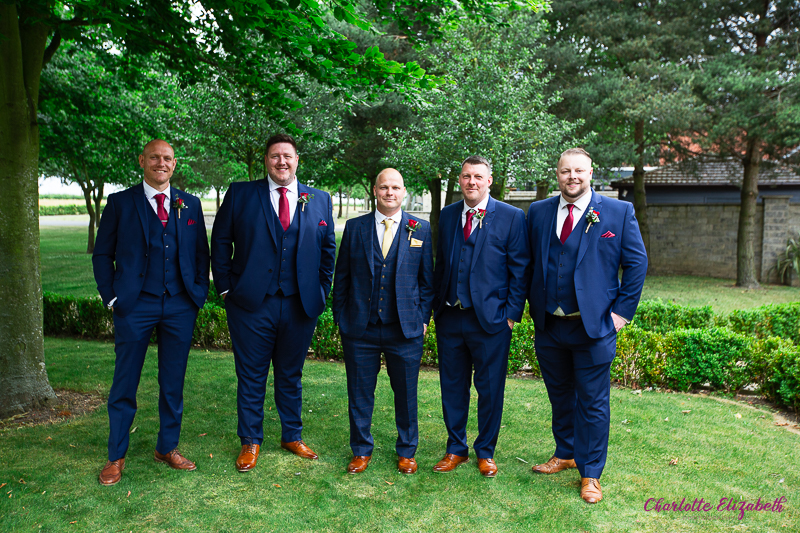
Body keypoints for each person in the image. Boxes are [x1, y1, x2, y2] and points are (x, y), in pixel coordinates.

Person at [526, 148, 647, 503]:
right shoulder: (539, 211)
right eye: (565, 171)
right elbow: (529, 262)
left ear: (591, 172)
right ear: (558, 174)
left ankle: (591, 473)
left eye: (579, 171)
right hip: (550, 325)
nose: (572, 177)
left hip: (594, 327)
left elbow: (637, 264)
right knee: (559, 395)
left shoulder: (618, 212)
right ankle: (565, 453)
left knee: (593, 402)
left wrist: (621, 314)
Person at [210, 134, 336, 472]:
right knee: (251, 375)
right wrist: (225, 289)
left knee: (291, 374)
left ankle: (291, 434)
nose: (282, 161)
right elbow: (220, 242)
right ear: (266, 160)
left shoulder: (320, 199)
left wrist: (321, 291)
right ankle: (250, 441)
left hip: (300, 305)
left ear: (298, 160)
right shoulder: (240, 194)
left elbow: (328, 251)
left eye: (288, 156)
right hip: (251, 304)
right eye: (275, 156)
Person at [93, 139, 210, 485]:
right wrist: (111, 298)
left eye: (168, 159)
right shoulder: (119, 203)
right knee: (124, 382)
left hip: (179, 305)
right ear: (142, 160)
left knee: (172, 382)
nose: (161, 163)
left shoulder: (189, 204)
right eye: (155, 157)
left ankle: (167, 447)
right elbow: (102, 255)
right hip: (134, 305)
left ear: (175, 165)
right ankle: (116, 456)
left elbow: (201, 254)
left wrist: (197, 296)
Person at [431, 155, 530, 477]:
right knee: (452, 387)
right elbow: (441, 265)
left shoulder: (512, 217)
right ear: (459, 180)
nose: (471, 182)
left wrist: (511, 316)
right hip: (450, 318)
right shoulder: (446, 216)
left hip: (491, 321)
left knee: (490, 390)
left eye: (477, 177)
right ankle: (455, 447)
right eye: (465, 176)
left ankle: (485, 451)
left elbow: (520, 270)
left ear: (489, 181)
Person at [332, 168, 434, 475]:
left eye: (395, 187)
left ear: (404, 192)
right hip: (360, 328)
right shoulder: (355, 228)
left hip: (405, 329)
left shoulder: (421, 229)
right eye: (384, 187)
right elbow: (343, 278)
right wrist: (341, 318)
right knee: (360, 393)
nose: (390, 192)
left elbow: (427, 282)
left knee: (406, 393)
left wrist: (424, 319)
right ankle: (361, 450)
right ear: (375, 191)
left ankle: (407, 451)